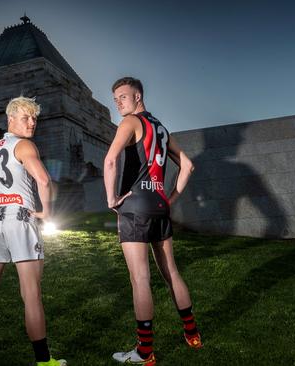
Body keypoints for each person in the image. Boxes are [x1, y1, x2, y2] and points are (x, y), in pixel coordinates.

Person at [0, 96, 66, 366]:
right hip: (19, 219)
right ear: (11, 119)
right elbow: (44, 179)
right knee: (31, 294)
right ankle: (44, 361)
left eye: (34, 118)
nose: (31, 123)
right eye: (25, 117)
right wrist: (47, 214)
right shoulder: (25, 146)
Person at [104, 77, 202, 365]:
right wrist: (170, 198)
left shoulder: (131, 123)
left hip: (135, 207)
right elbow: (188, 164)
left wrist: (111, 198)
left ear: (138, 96)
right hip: (159, 205)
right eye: (115, 99)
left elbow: (110, 160)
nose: (119, 102)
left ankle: (145, 353)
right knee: (171, 271)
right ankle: (192, 334)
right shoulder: (161, 128)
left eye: (123, 96)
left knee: (140, 279)